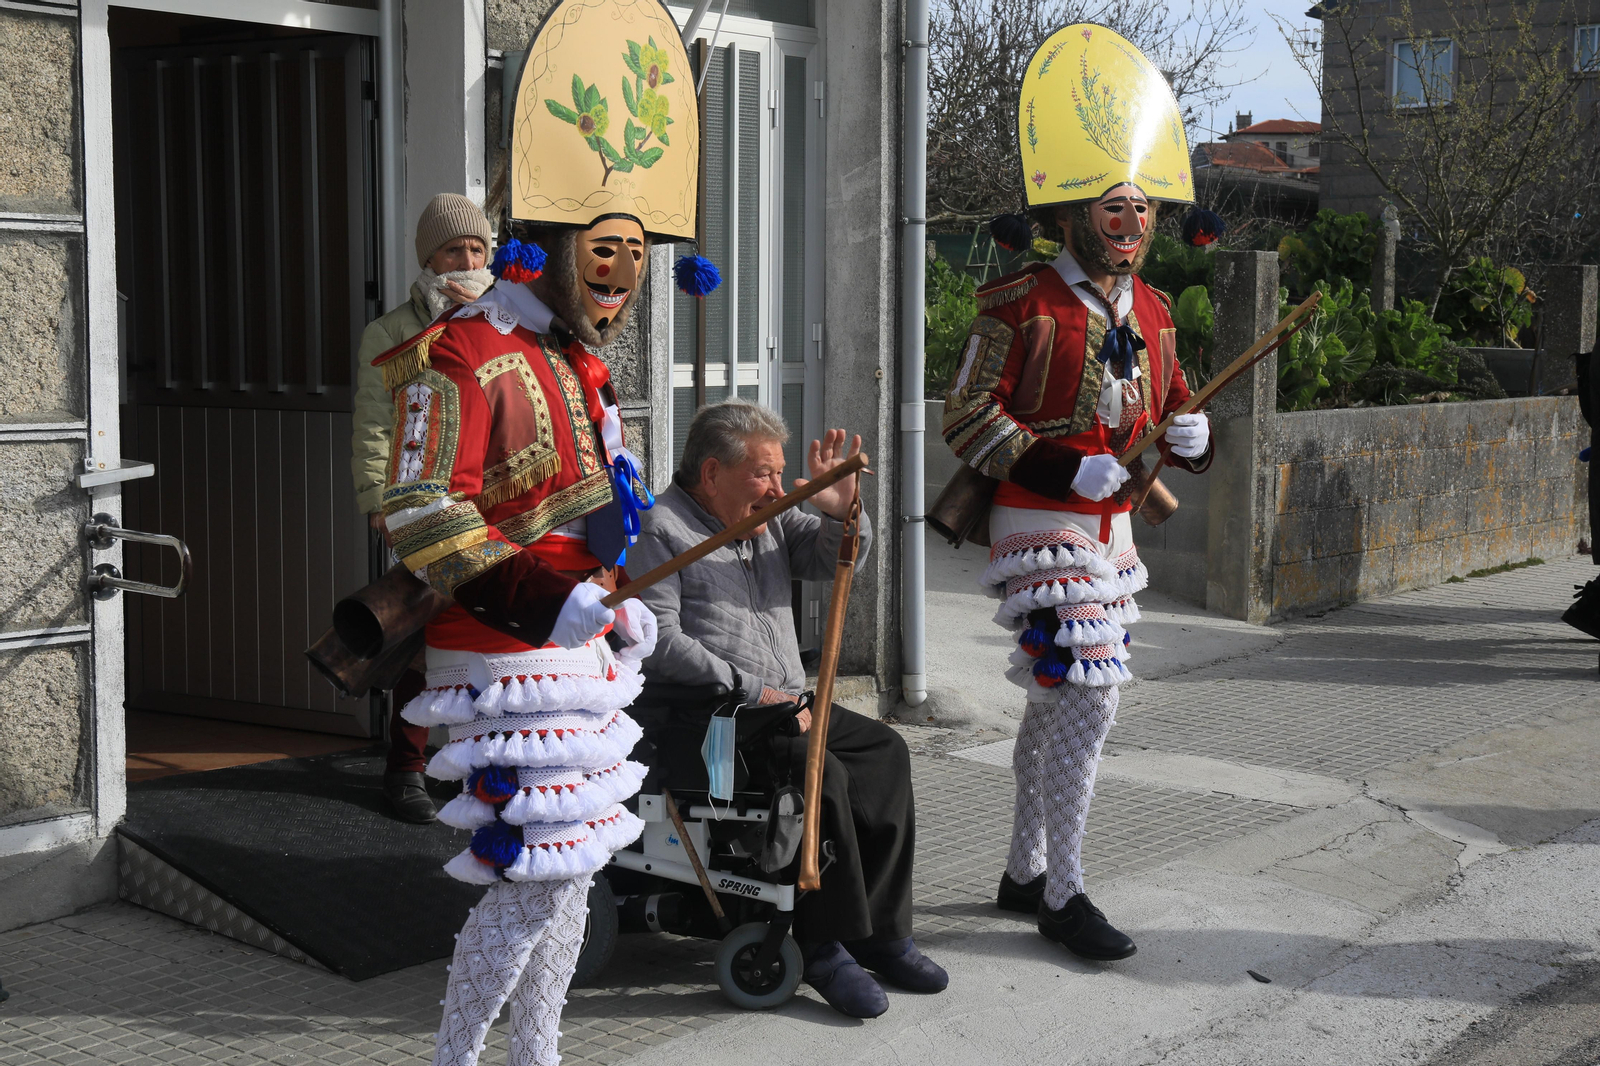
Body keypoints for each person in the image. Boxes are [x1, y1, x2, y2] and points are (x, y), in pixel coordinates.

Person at [376, 2, 714, 1063]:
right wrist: (542, 597)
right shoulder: (464, 351)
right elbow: (421, 507)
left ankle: (538, 1053)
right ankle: (457, 1059)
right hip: (495, 660)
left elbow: (595, 509)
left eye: (635, 251)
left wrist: (609, 610)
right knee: (531, 881)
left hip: (570, 654)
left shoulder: (577, 358)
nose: (619, 273)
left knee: (573, 877)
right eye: (602, 249)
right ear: (548, 244)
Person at [941, 24, 1214, 962]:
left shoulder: (1157, 312)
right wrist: (1061, 466)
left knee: (1058, 704)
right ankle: (1066, 891)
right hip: (1041, 530)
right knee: (1091, 699)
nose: (1131, 224)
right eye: (1114, 208)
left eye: (1141, 209)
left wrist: (1191, 438)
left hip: (1115, 541)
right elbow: (968, 418)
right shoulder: (1017, 305)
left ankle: (1023, 873)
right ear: (1073, 215)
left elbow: (1170, 403)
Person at [630, 400, 948, 1020]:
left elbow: (837, 558)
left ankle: (882, 933)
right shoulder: (660, 527)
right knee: (818, 775)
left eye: (779, 475)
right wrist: (754, 691)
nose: (778, 488)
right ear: (712, 473)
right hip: (713, 725)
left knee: (884, 752)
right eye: (763, 474)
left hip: (784, 708)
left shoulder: (767, 518)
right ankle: (823, 943)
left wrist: (843, 512)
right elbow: (657, 642)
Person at [350, 192, 496, 824]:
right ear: (429, 259)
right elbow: (374, 423)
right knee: (423, 633)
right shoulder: (391, 332)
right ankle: (406, 769)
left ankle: (487, 767)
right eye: (453, 249)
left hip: (501, 498)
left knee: (496, 633)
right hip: (424, 498)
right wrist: (377, 501)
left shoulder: (514, 316)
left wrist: (492, 321)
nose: (467, 259)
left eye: (477, 248)